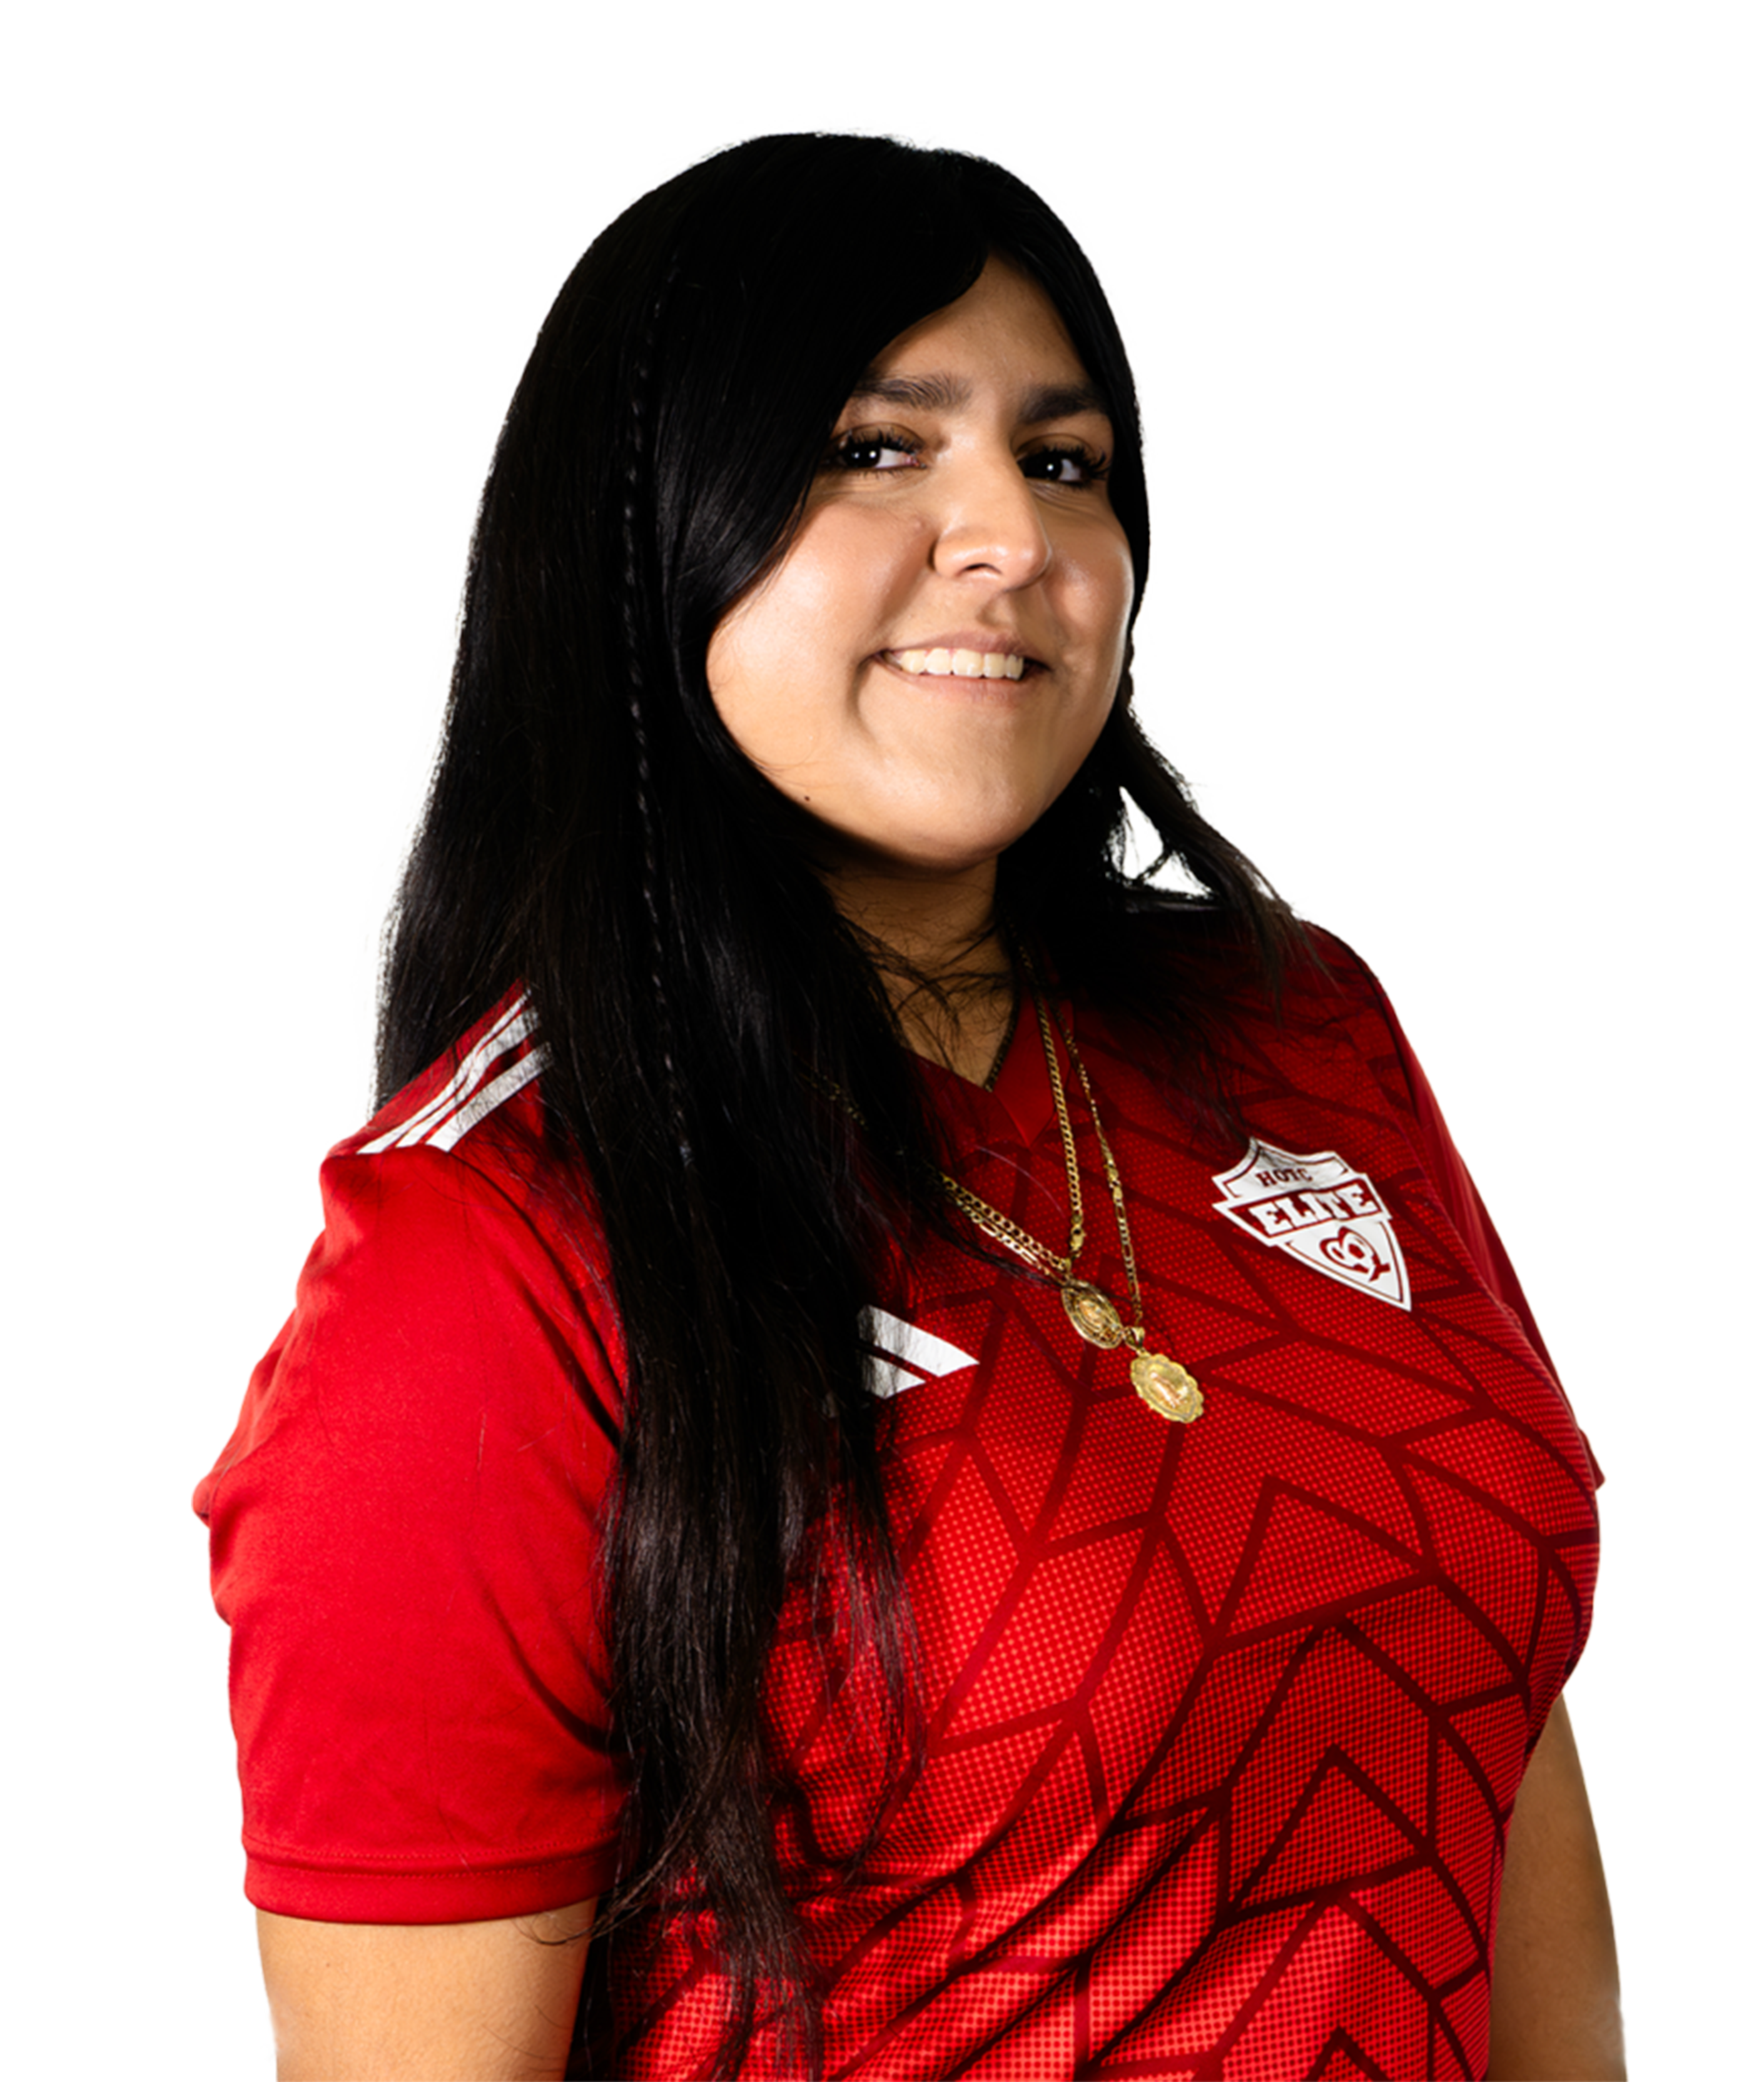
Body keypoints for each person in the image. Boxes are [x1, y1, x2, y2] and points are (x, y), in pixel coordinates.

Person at [194, 130, 1625, 2082]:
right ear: (644, 527)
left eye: (1065, 461)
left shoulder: (1300, 1028)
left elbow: (1491, 1709)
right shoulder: (491, 1243)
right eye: (877, 447)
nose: (1011, 537)